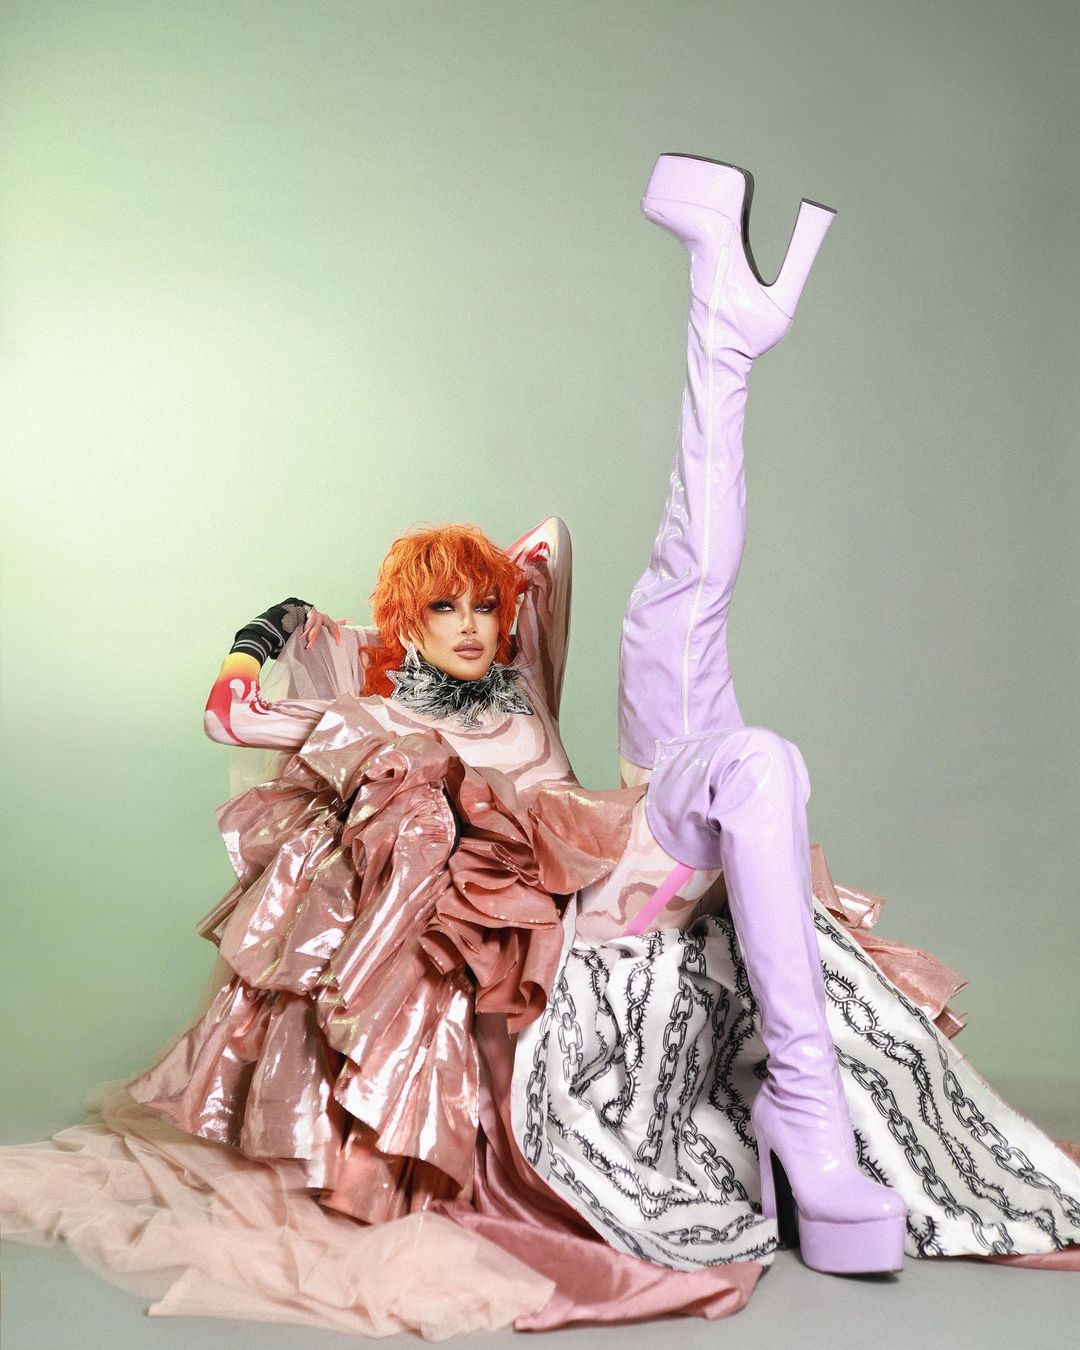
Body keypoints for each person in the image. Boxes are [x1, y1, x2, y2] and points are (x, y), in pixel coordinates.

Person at [2, 153, 1077, 1339]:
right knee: (733, 720)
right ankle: (813, 1142)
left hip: (635, 845)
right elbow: (242, 718)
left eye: (483, 607)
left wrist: (484, 583)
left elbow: (547, 550)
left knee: (720, 676)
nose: (475, 625)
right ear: (405, 625)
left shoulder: (525, 680)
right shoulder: (381, 717)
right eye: (445, 610)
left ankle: (723, 333)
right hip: (576, 916)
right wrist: (266, 646)